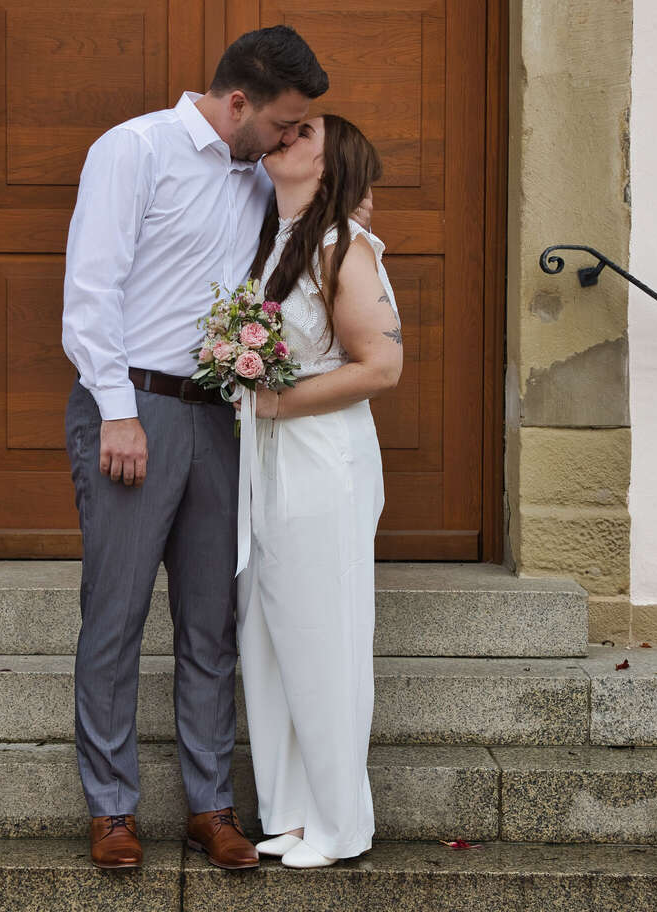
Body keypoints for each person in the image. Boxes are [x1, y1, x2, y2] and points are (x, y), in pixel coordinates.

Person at [61, 25, 331, 871]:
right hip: (133, 407)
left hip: (224, 415)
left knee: (210, 621)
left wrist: (308, 159)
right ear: (238, 102)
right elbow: (90, 290)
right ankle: (111, 810)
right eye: (285, 122)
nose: (290, 138)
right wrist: (115, 410)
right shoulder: (134, 150)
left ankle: (211, 804)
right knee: (116, 615)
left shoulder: (265, 176)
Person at [236, 114, 403, 869]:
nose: (284, 136)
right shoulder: (276, 241)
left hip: (321, 463)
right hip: (266, 461)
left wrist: (275, 402)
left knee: (323, 637)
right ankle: (294, 812)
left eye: (304, 132)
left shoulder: (346, 249)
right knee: (269, 639)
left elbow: (382, 367)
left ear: (329, 167)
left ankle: (342, 824)